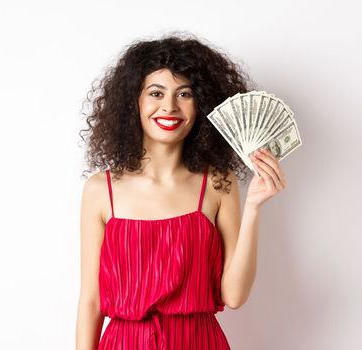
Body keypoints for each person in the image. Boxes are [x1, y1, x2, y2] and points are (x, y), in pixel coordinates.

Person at [75, 33, 288, 350]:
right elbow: (91, 301)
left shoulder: (218, 183)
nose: (170, 107)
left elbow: (234, 295)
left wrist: (254, 208)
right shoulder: (100, 189)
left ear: (200, 104)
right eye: (156, 93)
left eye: (184, 94)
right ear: (134, 101)